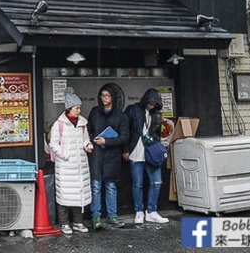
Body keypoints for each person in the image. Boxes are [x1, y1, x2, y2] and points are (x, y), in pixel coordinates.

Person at [49, 88, 93, 235]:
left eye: (79, 108)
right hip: (66, 165)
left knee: (79, 195)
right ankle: (64, 223)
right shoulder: (59, 124)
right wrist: (64, 154)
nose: (79, 111)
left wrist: (88, 146)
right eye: (76, 108)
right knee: (65, 196)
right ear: (69, 108)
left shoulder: (82, 124)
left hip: (80, 165)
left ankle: (78, 222)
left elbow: (86, 139)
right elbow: (53, 143)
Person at [123, 88, 170, 224]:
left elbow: (157, 135)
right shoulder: (133, 110)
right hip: (136, 151)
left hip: (151, 153)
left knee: (156, 182)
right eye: (149, 103)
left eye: (154, 104)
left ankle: (151, 211)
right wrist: (125, 150)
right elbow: (125, 130)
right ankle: (139, 211)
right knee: (137, 183)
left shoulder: (157, 114)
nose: (151, 106)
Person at [87, 82, 129, 230]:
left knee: (111, 186)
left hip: (113, 155)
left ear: (113, 97)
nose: (104, 98)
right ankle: (96, 216)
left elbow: (125, 137)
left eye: (107, 96)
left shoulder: (121, 116)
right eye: (102, 95)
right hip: (97, 154)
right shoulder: (94, 112)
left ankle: (113, 216)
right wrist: (91, 140)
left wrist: (108, 140)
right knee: (96, 186)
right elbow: (88, 130)